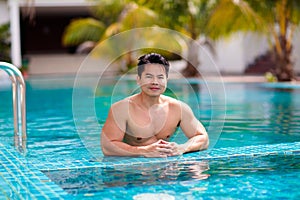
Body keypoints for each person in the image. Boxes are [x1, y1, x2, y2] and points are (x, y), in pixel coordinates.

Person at [101, 53, 208, 157]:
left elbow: (202, 137)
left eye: (160, 77)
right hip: (134, 170)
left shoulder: (178, 108)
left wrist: (182, 148)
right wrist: (143, 151)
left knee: (198, 172)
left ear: (166, 80)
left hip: (166, 170)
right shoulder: (121, 109)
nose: (155, 82)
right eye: (149, 76)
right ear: (138, 80)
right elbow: (108, 146)